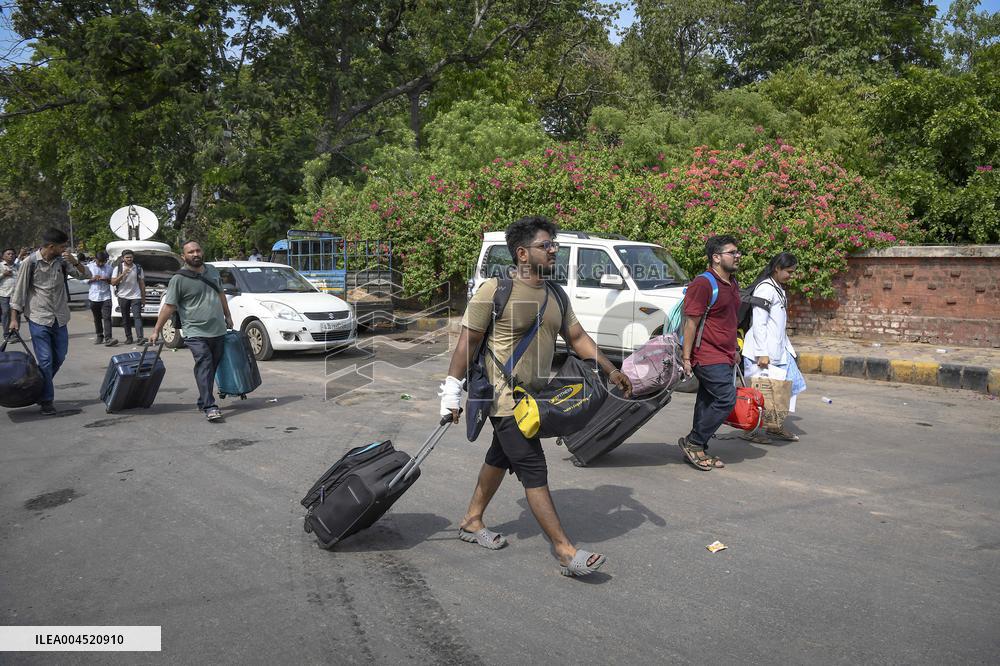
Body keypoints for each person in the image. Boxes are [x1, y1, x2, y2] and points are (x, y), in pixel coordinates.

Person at [439, 215, 632, 577]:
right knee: (532, 466)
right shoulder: (495, 290)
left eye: (553, 244)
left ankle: (471, 520)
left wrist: (611, 369)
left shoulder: (556, 294)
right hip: (503, 398)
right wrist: (450, 391)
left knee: (500, 456)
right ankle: (564, 550)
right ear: (522, 253)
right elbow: (469, 341)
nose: (554, 250)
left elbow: (577, 338)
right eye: (547, 245)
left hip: (536, 400)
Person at [8, 228, 92, 415]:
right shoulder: (29, 263)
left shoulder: (63, 262)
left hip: (60, 318)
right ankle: (46, 400)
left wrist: (76, 262)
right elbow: (19, 292)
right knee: (45, 360)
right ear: (51, 246)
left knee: (59, 357)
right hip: (38, 317)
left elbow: (85, 275)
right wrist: (14, 319)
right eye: (62, 246)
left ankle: (35, 386)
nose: (65, 250)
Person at [677, 235, 741, 471]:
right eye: (732, 252)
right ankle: (694, 442)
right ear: (716, 258)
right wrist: (686, 358)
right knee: (726, 398)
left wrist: (734, 348)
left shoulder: (732, 283)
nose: (737, 256)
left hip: (724, 354)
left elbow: (730, 319)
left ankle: (698, 447)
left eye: (737, 252)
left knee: (707, 400)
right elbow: (691, 322)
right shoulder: (703, 283)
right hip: (705, 354)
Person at [151, 241, 234, 421]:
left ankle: (202, 399)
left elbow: (220, 294)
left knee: (211, 367)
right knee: (204, 363)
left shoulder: (212, 270)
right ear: (184, 256)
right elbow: (169, 306)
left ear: (202, 251)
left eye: (197, 250)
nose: (195, 254)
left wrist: (228, 315)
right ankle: (210, 406)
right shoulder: (178, 279)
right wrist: (157, 329)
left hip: (218, 329)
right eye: (191, 252)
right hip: (194, 331)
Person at [741, 252, 807, 443]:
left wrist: (789, 350)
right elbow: (760, 322)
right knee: (760, 393)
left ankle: (775, 426)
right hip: (762, 352)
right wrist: (762, 353)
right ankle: (750, 430)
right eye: (788, 271)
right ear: (777, 268)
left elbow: (778, 323)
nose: (791, 276)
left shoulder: (778, 288)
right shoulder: (765, 289)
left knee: (786, 387)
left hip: (779, 351)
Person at [111, 250, 146, 345]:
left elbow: (142, 283)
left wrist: (143, 298)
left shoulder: (138, 268)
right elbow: (113, 282)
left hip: (136, 296)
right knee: (125, 318)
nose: (129, 259)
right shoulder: (118, 268)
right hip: (123, 296)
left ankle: (140, 338)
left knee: (137, 316)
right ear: (123, 258)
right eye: (127, 257)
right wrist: (122, 274)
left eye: (131, 257)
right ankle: (129, 337)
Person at [86, 250, 118, 347]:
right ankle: (99, 335)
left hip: (106, 296)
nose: (101, 263)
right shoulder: (89, 267)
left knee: (107, 318)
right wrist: (92, 279)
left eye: (103, 261)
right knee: (97, 318)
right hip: (94, 297)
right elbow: (82, 280)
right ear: (95, 259)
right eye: (99, 261)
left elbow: (113, 281)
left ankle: (108, 338)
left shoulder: (109, 268)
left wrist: (106, 279)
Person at [0, 248, 19, 334]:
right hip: (4, 294)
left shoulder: (19, 266)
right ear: (3, 256)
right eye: (8, 254)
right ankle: (6, 334)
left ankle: (15, 333)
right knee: (6, 313)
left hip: (16, 294)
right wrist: (3, 274)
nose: (11, 255)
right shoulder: (0, 266)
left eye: (12, 254)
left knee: (16, 314)